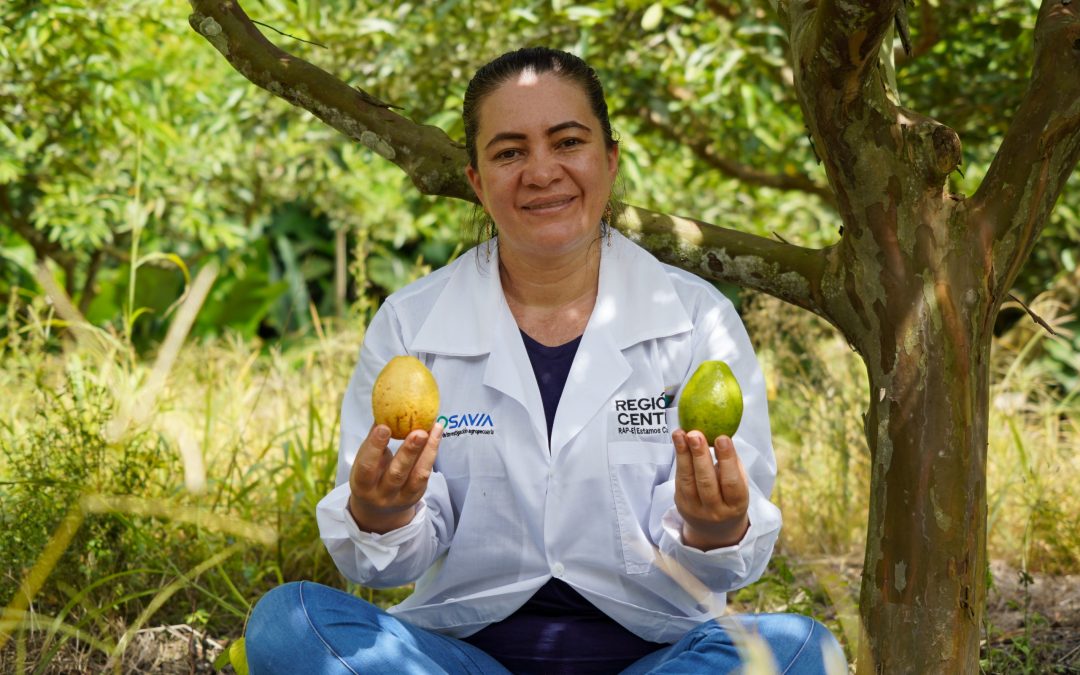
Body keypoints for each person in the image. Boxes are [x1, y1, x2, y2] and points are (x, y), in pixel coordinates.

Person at [246, 46, 843, 674]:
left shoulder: (697, 321)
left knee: (801, 650)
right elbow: (389, 567)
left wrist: (713, 528)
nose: (541, 171)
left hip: (659, 657)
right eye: (508, 152)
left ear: (609, 160)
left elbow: (728, 561)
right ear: (476, 181)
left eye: (567, 142)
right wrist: (381, 514)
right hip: (458, 659)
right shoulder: (412, 322)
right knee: (288, 626)